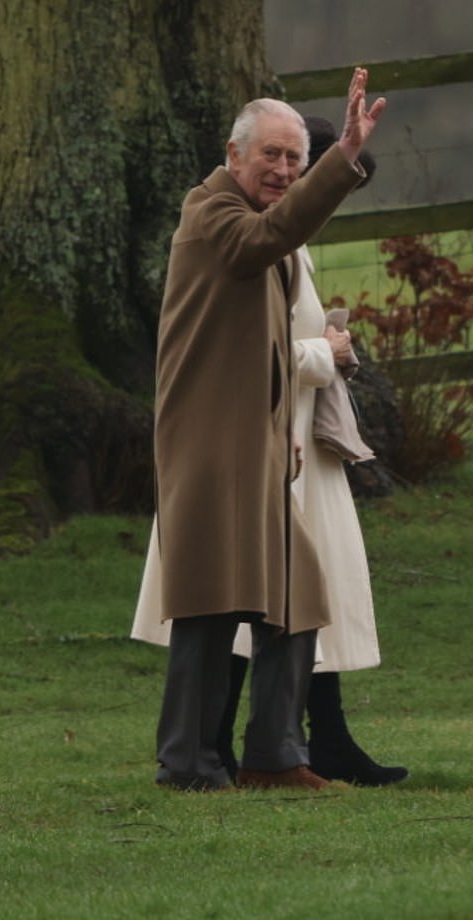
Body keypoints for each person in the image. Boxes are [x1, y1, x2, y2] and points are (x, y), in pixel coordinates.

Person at [145, 68, 386, 791]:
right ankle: (186, 764)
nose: (283, 170)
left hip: (259, 445)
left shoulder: (252, 225)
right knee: (210, 608)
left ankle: (275, 757)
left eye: (294, 158)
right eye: (271, 156)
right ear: (233, 154)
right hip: (212, 447)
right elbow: (271, 236)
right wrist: (342, 156)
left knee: (299, 595)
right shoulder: (211, 215)